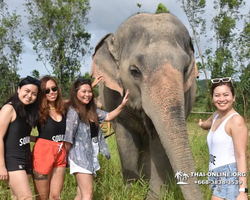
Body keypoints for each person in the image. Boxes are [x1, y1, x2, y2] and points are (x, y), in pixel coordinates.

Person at [32, 75, 104, 200]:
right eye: (47, 90)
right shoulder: (37, 110)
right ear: (42, 93)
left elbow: (78, 97)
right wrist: (37, 139)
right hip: (43, 153)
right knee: (42, 197)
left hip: (60, 152)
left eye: (54, 88)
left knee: (55, 196)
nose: (51, 92)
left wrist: (92, 85)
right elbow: (21, 129)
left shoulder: (63, 107)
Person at [64, 78, 129, 200]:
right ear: (75, 92)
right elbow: (68, 138)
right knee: (88, 194)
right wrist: (65, 158)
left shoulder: (91, 109)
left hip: (91, 153)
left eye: (90, 91)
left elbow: (108, 116)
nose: (87, 95)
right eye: (83, 91)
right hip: (79, 156)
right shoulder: (73, 112)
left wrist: (122, 105)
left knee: (81, 193)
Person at [199, 77, 248, 200]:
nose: (221, 99)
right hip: (215, 174)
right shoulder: (216, 116)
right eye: (217, 95)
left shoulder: (236, 121)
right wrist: (201, 124)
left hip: (228, 175)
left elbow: (241, 156)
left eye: (226, 95)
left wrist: (243, 191)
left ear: (233, 97)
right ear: (212, 98)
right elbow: (207, 124)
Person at [0, 76, 41, 200]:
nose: (30, 96)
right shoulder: (9, 109)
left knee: (16, 197)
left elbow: (19, 135)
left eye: (34, 94)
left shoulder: (26, 111)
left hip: (26, 159)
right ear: (18, 89)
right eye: (27, 91)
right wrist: (1, 165)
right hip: (12, 161)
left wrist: (38, 139)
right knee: (27, 197)